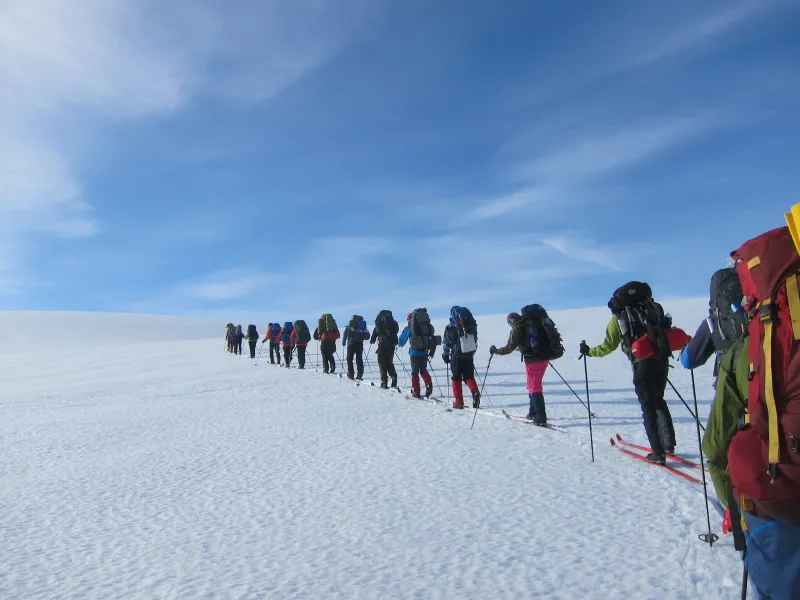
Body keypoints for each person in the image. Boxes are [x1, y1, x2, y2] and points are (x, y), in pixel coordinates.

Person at [580, 282, 676, 464]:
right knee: (659, 400)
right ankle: (669, 444)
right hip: (662, 360)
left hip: (641, 364)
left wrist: (589, 351)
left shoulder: (619, 317)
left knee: (647, 407)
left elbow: (608, 345)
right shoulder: (653, 308)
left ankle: (658, 452)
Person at [490, 305, 564, 425]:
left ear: (514, 319)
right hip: (544, 357)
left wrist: (496, 351)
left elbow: (510, 347)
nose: (510, 323)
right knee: (532, 385)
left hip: (532, 359)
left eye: (510, 321)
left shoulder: (518, 327)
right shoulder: (532, 324)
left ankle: (540, 417)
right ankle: (532, 412)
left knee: (535, 387)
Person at [442, 306, 480, 409]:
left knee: (456, 378)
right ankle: (475, 392)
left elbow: (447, 341)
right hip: (469, 354)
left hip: (456, 355)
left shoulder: (451, 326)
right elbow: (475, 339)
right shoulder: (471, 324)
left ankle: (459, 402)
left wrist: (445, 354)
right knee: (468, 376)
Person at [398, 309, 437, 399]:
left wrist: (399, 343)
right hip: (424, 352)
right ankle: (428, 385)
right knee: (423, 370)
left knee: (415, 372)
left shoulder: (409, 328)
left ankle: (416, 391)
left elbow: (401, 341)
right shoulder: (426, 326)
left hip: (414, 353)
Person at [370, 310, 399, 389]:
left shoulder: (379, 323)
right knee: (389, 363)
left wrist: (372, 340)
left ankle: (384, 382)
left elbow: (374, 335)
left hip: (382, 347)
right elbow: (396, 330)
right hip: (391, 346)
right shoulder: (393, 323)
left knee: (382, 364)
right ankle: (393, 376)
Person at [343, 315, 369, 380]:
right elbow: (367, 336)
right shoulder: (362, 325)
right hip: (360, 344)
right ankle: (360, 375)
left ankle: (351, 374)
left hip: (351, 344)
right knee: (359, 359)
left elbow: (345, 333)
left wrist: (343, 342)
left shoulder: (350, 325)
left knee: (349, 359)